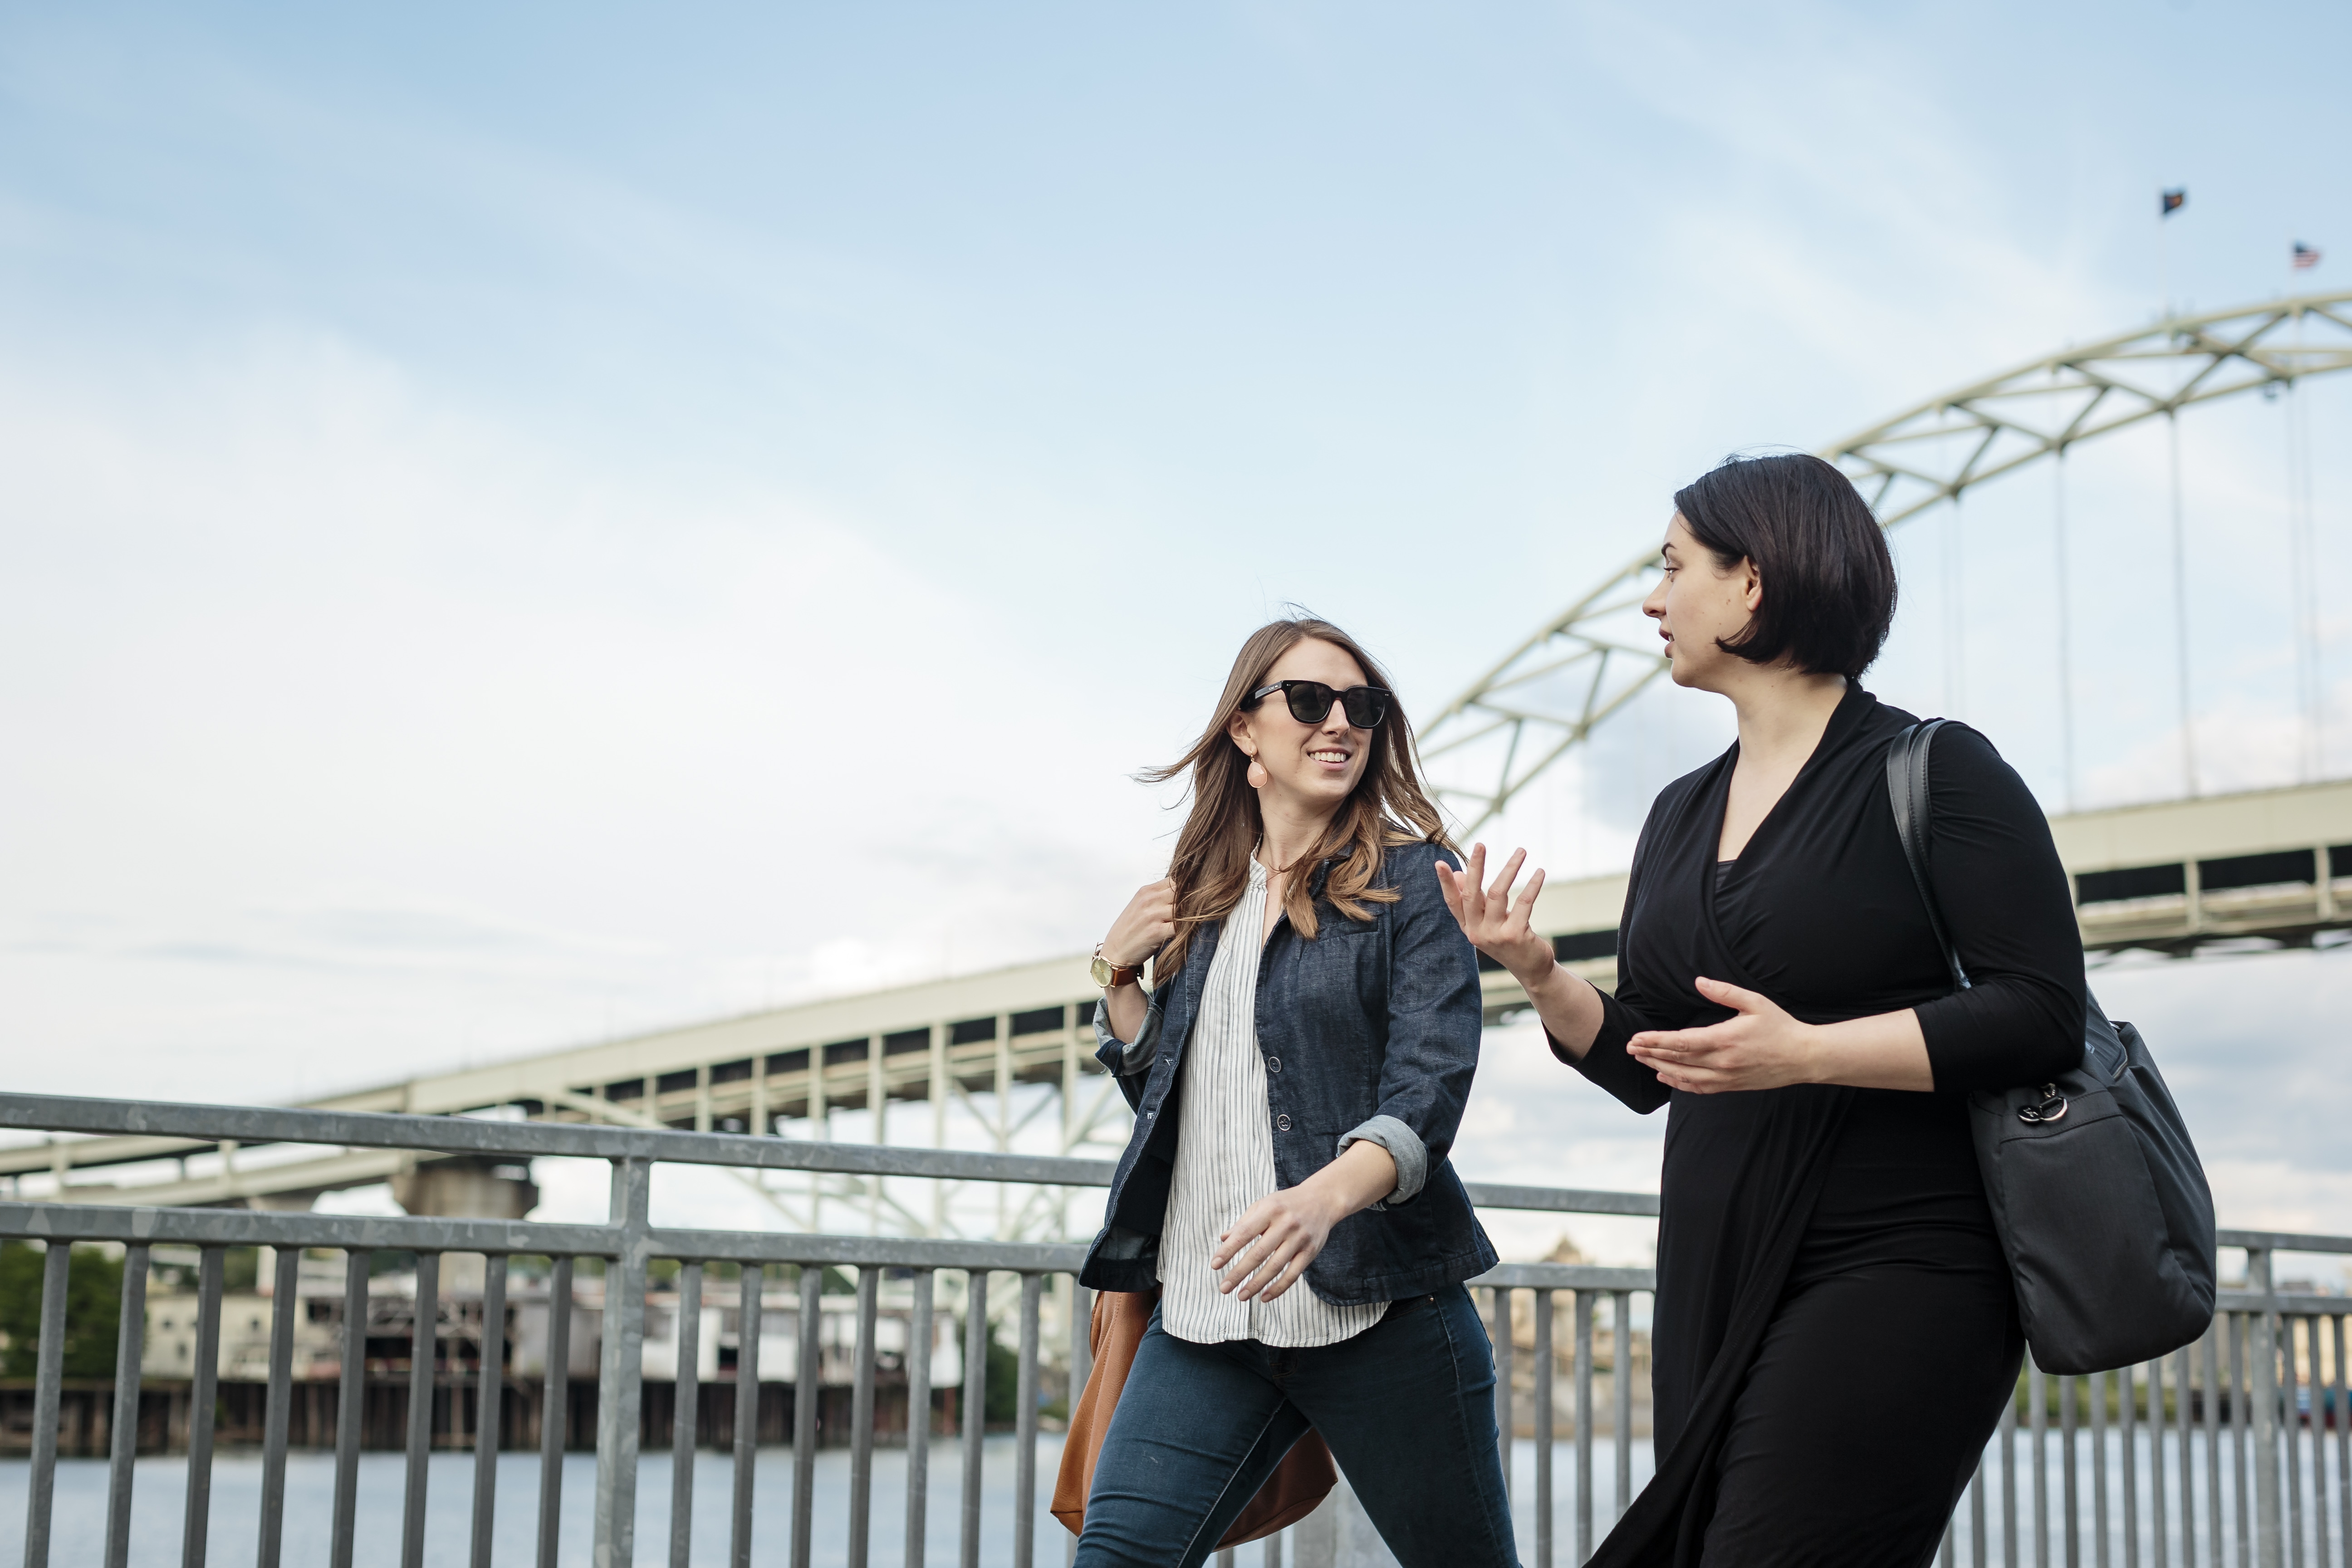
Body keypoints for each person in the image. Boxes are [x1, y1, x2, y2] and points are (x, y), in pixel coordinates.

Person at [1440, 453, 2084, 1568]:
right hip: (1718, 1270)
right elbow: (1651, 1062)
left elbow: (2042, 1014)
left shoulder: (1939, 771)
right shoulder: (1676, 815)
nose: (1649, 599)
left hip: (1900, 1264)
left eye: (1671, 566)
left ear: (1755, 583)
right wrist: (1540, 974)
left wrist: (1808, 1053)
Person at [1074, 616, 1519, 1568]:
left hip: (1381, 1317)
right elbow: (1181, 1105)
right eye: (1310, 701)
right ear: (1246, 730)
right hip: (1208, 1321)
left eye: (1361, 707)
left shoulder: (1416, 883)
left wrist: (1326, 1198)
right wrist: (1117, 979)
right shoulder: (1201, 898)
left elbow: (1428, 1088)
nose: (1340, 724)